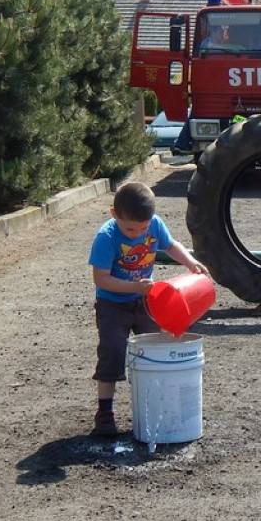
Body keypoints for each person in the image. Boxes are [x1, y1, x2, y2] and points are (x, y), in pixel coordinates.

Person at [88, 181, 208, 437]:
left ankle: (156, 405)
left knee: (156, 350)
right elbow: (101, 279)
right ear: (114, 215)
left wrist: (190, 261)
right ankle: (105, 412)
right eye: (130, 228)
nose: (136, 234)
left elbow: (170, 244)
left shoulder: (154, 224)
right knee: (112, 352)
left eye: (142, 228)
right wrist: (134, 287)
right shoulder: (106, 237)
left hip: (145, 300)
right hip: (113, 304)